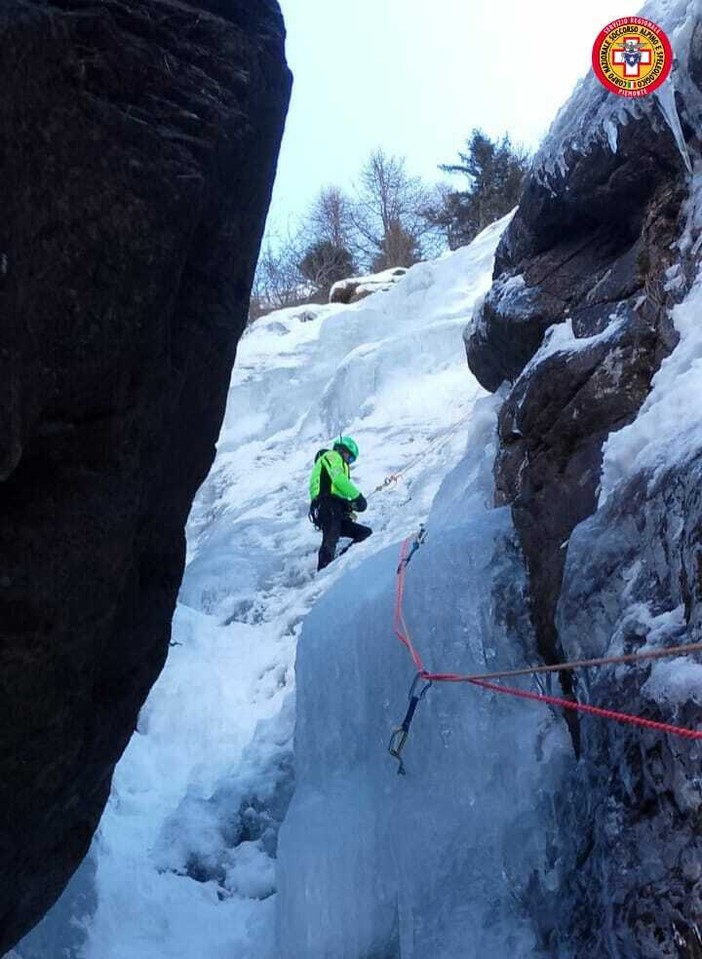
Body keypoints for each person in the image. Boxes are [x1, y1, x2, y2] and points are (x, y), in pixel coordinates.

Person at [308, 435, 372, 571]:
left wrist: (347, 505)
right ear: (343, 450)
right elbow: (338, 479)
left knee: (365, 533)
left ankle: (339, 567)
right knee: (330, 539)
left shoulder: (336, 463)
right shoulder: (332, 456)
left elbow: (337, 489)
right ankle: (324, 574)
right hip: (327, 504)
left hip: (334, 508)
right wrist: (357, 497)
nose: (349, 462)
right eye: (350, 458)